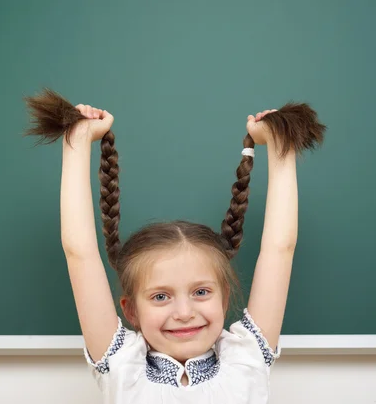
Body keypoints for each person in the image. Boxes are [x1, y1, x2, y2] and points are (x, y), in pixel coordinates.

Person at [24, 88, 325, 403]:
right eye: (160, 296)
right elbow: (79, 254)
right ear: (131, 310)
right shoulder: (122, 364)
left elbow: (281, 248)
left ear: (224, 299)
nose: (184, 312)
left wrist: (281, 142)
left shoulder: (246, 357)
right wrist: (78, 138)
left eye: (201, 292)